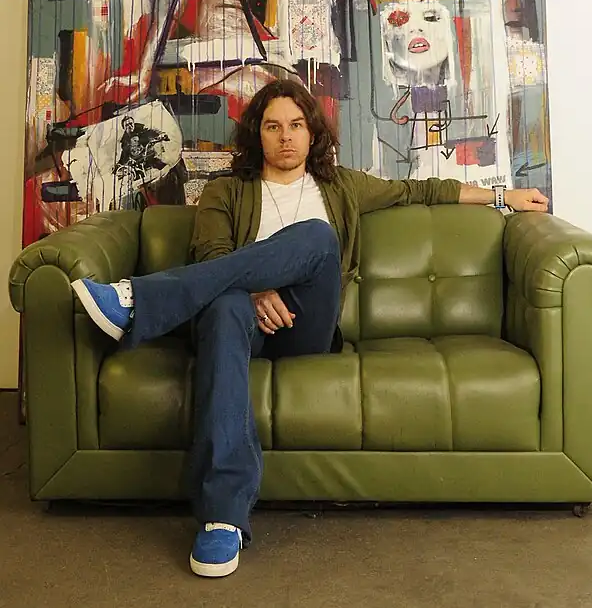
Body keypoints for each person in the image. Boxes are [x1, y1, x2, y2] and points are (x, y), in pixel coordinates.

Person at [71, 79, 548, 578]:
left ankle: (139, 302)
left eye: (296, 125)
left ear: (312, 132)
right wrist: (254, 294)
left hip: (308, 326)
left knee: (318, 237)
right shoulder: (225, 191)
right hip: (243, 325)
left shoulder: (339, 186)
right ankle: (222, 516)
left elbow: (421, 189)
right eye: (273, 126)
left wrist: (504, 195)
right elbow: (211, 256)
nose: (286, 137)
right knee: (225, 305)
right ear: (256, 134)